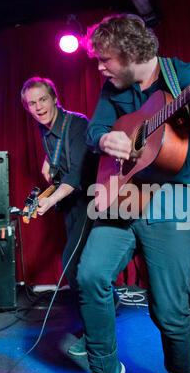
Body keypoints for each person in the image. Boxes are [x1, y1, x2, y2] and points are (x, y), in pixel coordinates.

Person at [76, 13, 190, 373]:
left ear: (131, 53)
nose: (100, 67)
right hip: (126, 195)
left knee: (168, 310)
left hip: (174, 199)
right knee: (90, 275)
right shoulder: (111, 88)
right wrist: (107, 138)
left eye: (105, 60)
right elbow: (92, 130)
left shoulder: (182, 74)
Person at [21, 77, 120, 356]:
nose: (38, 107)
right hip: (72, 207)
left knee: (75, 268)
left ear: (54, 98)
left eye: (42, 99)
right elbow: (60, 160)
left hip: (91, 202)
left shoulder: (75, 124)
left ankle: (96, 334)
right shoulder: (47, 130)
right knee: (83, 271)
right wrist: (48, 161)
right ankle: (107, 303)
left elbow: (77, 173)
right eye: (32, 103)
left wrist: (50, 199)